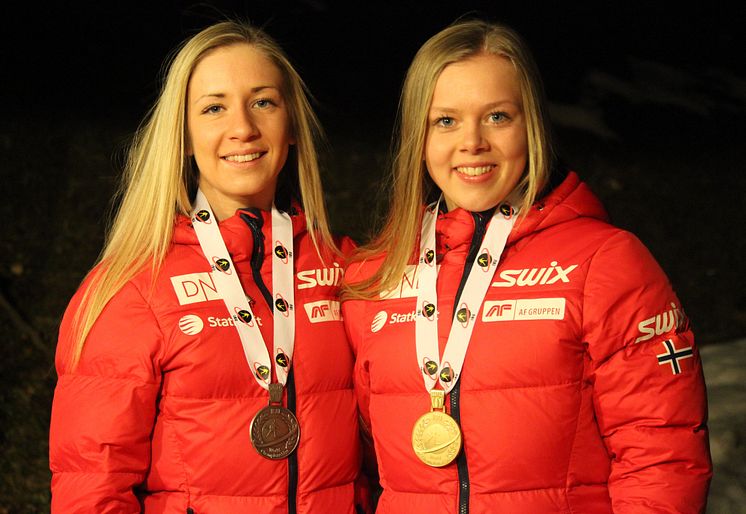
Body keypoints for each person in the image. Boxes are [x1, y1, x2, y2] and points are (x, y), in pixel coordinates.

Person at [342, 19, 712, 513]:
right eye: (445, 121)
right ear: (419, 137)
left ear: (531, 123)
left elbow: (663, 457)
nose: (472, 142)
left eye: (497, 116)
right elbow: (365, 466)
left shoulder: (605, 263)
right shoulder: (373, 278)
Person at [49, 21, 366, 513]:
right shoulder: (131, 288)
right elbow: (91, 488)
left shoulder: (344, 269)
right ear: (185, 137)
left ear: (294, 126)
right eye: (214, 108)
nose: (242, 127)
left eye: (263, 102)